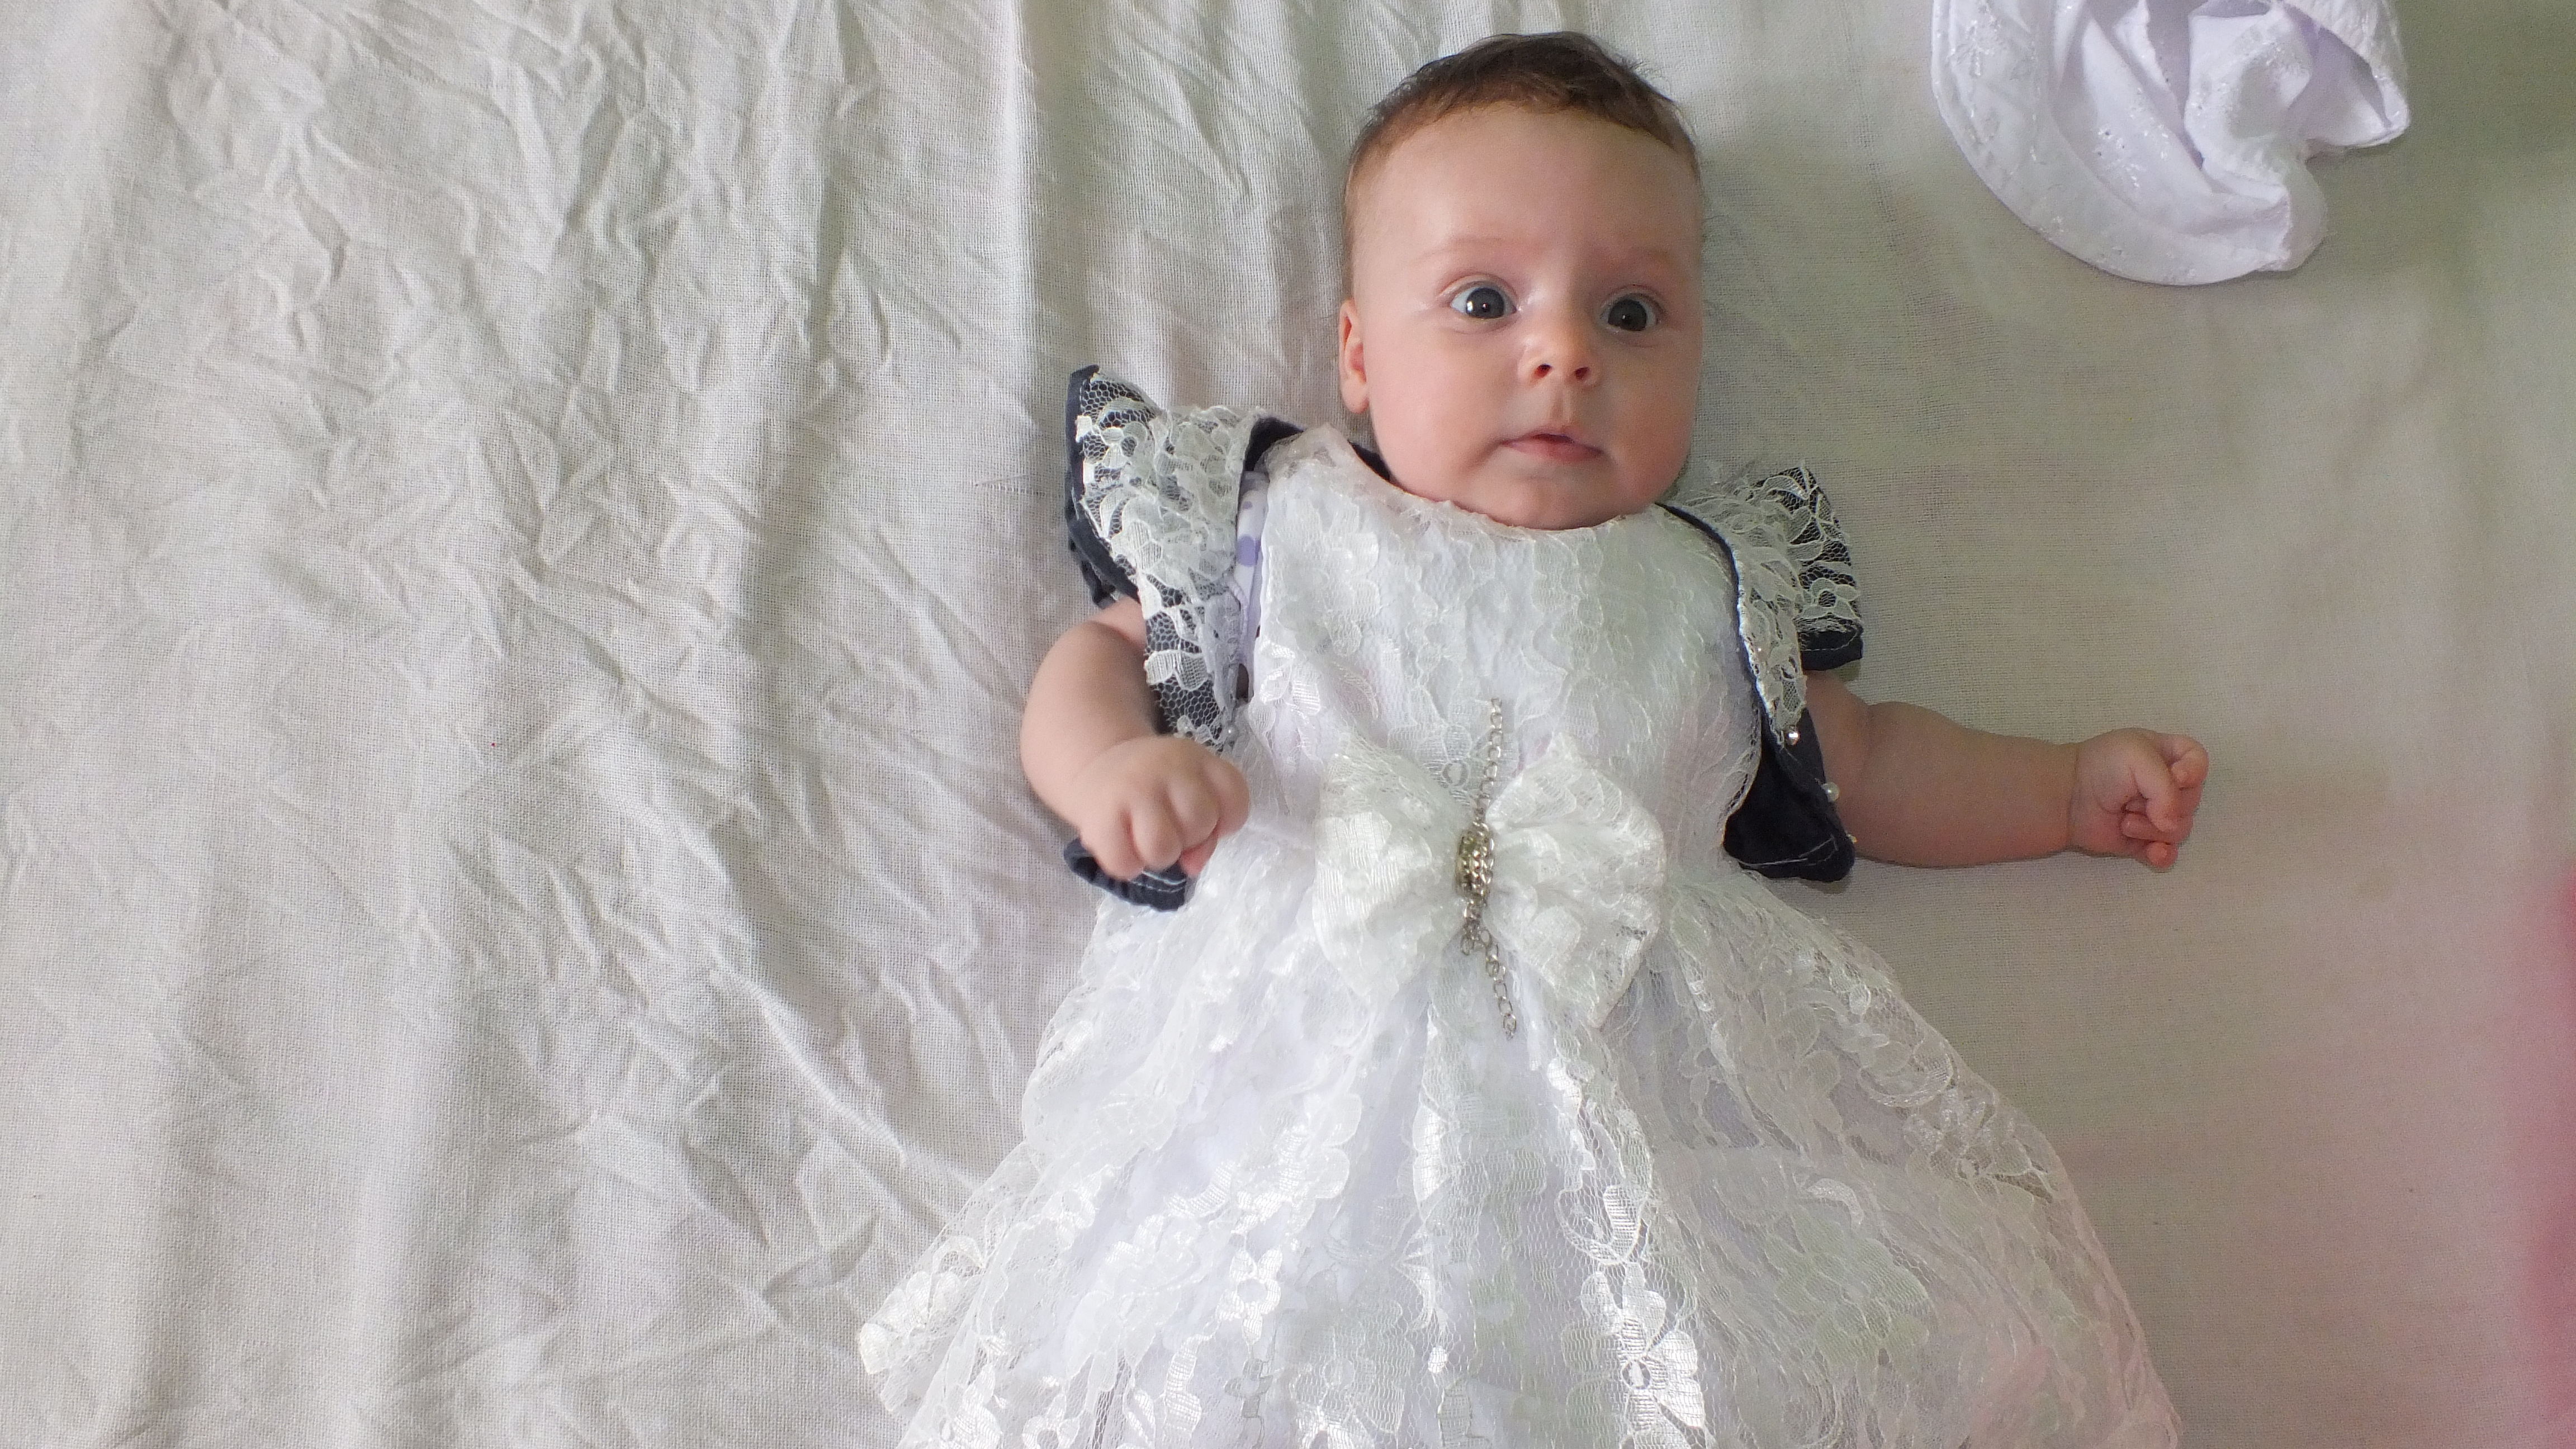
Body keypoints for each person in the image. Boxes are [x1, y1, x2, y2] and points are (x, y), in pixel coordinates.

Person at [863, 32, 2201, 1448]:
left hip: (1647, 1129)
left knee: (1738, 1368)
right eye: (1484, 301)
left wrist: (2061, 791)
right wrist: (1109, 766)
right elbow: (1106, 652)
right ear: (1359, 355)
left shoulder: (1702, 587)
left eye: (1632, 313)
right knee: (1203, 1354)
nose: (1564, 353)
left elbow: (1865, 767)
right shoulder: (1280, 525)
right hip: (1295, 1122)